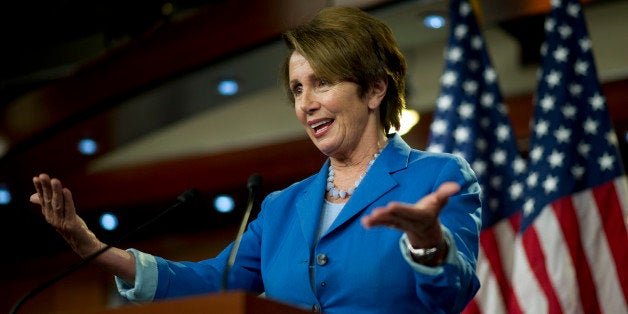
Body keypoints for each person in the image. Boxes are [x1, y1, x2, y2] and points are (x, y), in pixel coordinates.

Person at [31, 6, 481, 313]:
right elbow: (215, 280)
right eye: (298, 89)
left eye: (322, 83)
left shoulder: (435, 177)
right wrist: (96, 251)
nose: (305, 105)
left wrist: (429, 244)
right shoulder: (283, 207)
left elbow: (453, 296)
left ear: (376, 89)